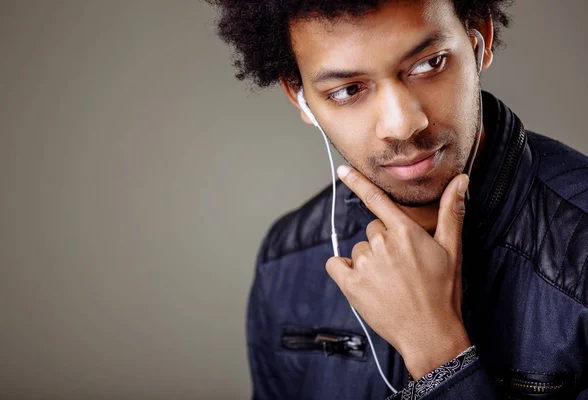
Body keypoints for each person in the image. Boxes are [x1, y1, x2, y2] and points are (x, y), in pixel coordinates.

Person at [207, 0, 588, 398]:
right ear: (299, 96)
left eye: (429, 64)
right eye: (348, 90)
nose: (403, 124)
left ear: (481, 38)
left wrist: (439, 354)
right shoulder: (287, 259)